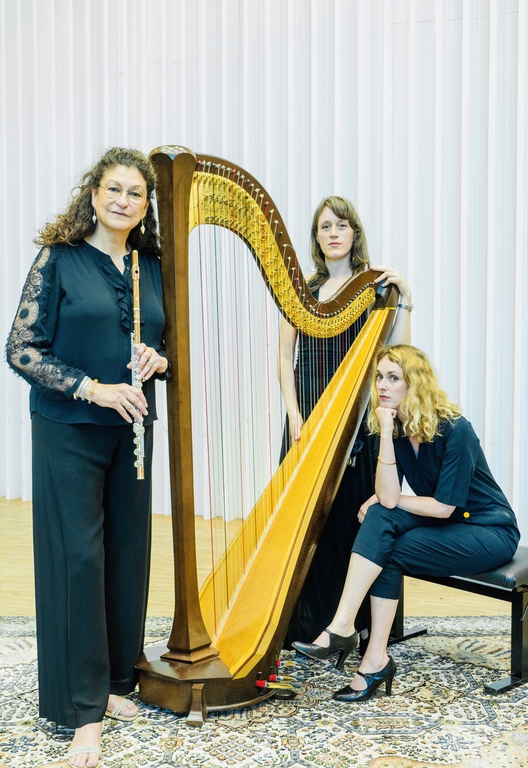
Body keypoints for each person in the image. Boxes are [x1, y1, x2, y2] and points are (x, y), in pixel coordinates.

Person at [5, 147, 170, 767]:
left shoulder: (152, 265)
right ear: (94, 193)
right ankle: (82, 712)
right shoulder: (59, 258)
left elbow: (170, 343)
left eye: (136, 193)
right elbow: (21, 348)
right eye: (114, 189)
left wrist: (160, 358)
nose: (123, 200)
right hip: (69, 429)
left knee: (126, 555)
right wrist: (91, 388)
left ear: (146, 206)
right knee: (79, 561)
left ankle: (114, 681)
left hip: (132, 428)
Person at [291, 344, 520, 700]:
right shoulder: (396, 428)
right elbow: (388, 496)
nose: (382, 385)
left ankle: (353, 638)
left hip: (489, 530)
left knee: (385, 528)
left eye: (393, 378)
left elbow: (443, 507)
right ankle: (362, 645)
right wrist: (384, 432)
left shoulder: (456, 429)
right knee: (384, 530)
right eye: (379, 377)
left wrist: (384, 501)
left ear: (415, 383)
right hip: (451, 525)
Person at [277, 196, 413, 650]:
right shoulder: (302, 291)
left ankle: (354, 623)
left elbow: (399, 355)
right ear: (316, 238)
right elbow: (284, 358)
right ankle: (307, 624)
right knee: (307, 525)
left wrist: (406, 299)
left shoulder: (373, 288)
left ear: (354, 232)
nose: (333, 233)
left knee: (353, 521)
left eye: (341, 225)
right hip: (307, 422)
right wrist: (294, 413)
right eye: (324, 227)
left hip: (356, 424)